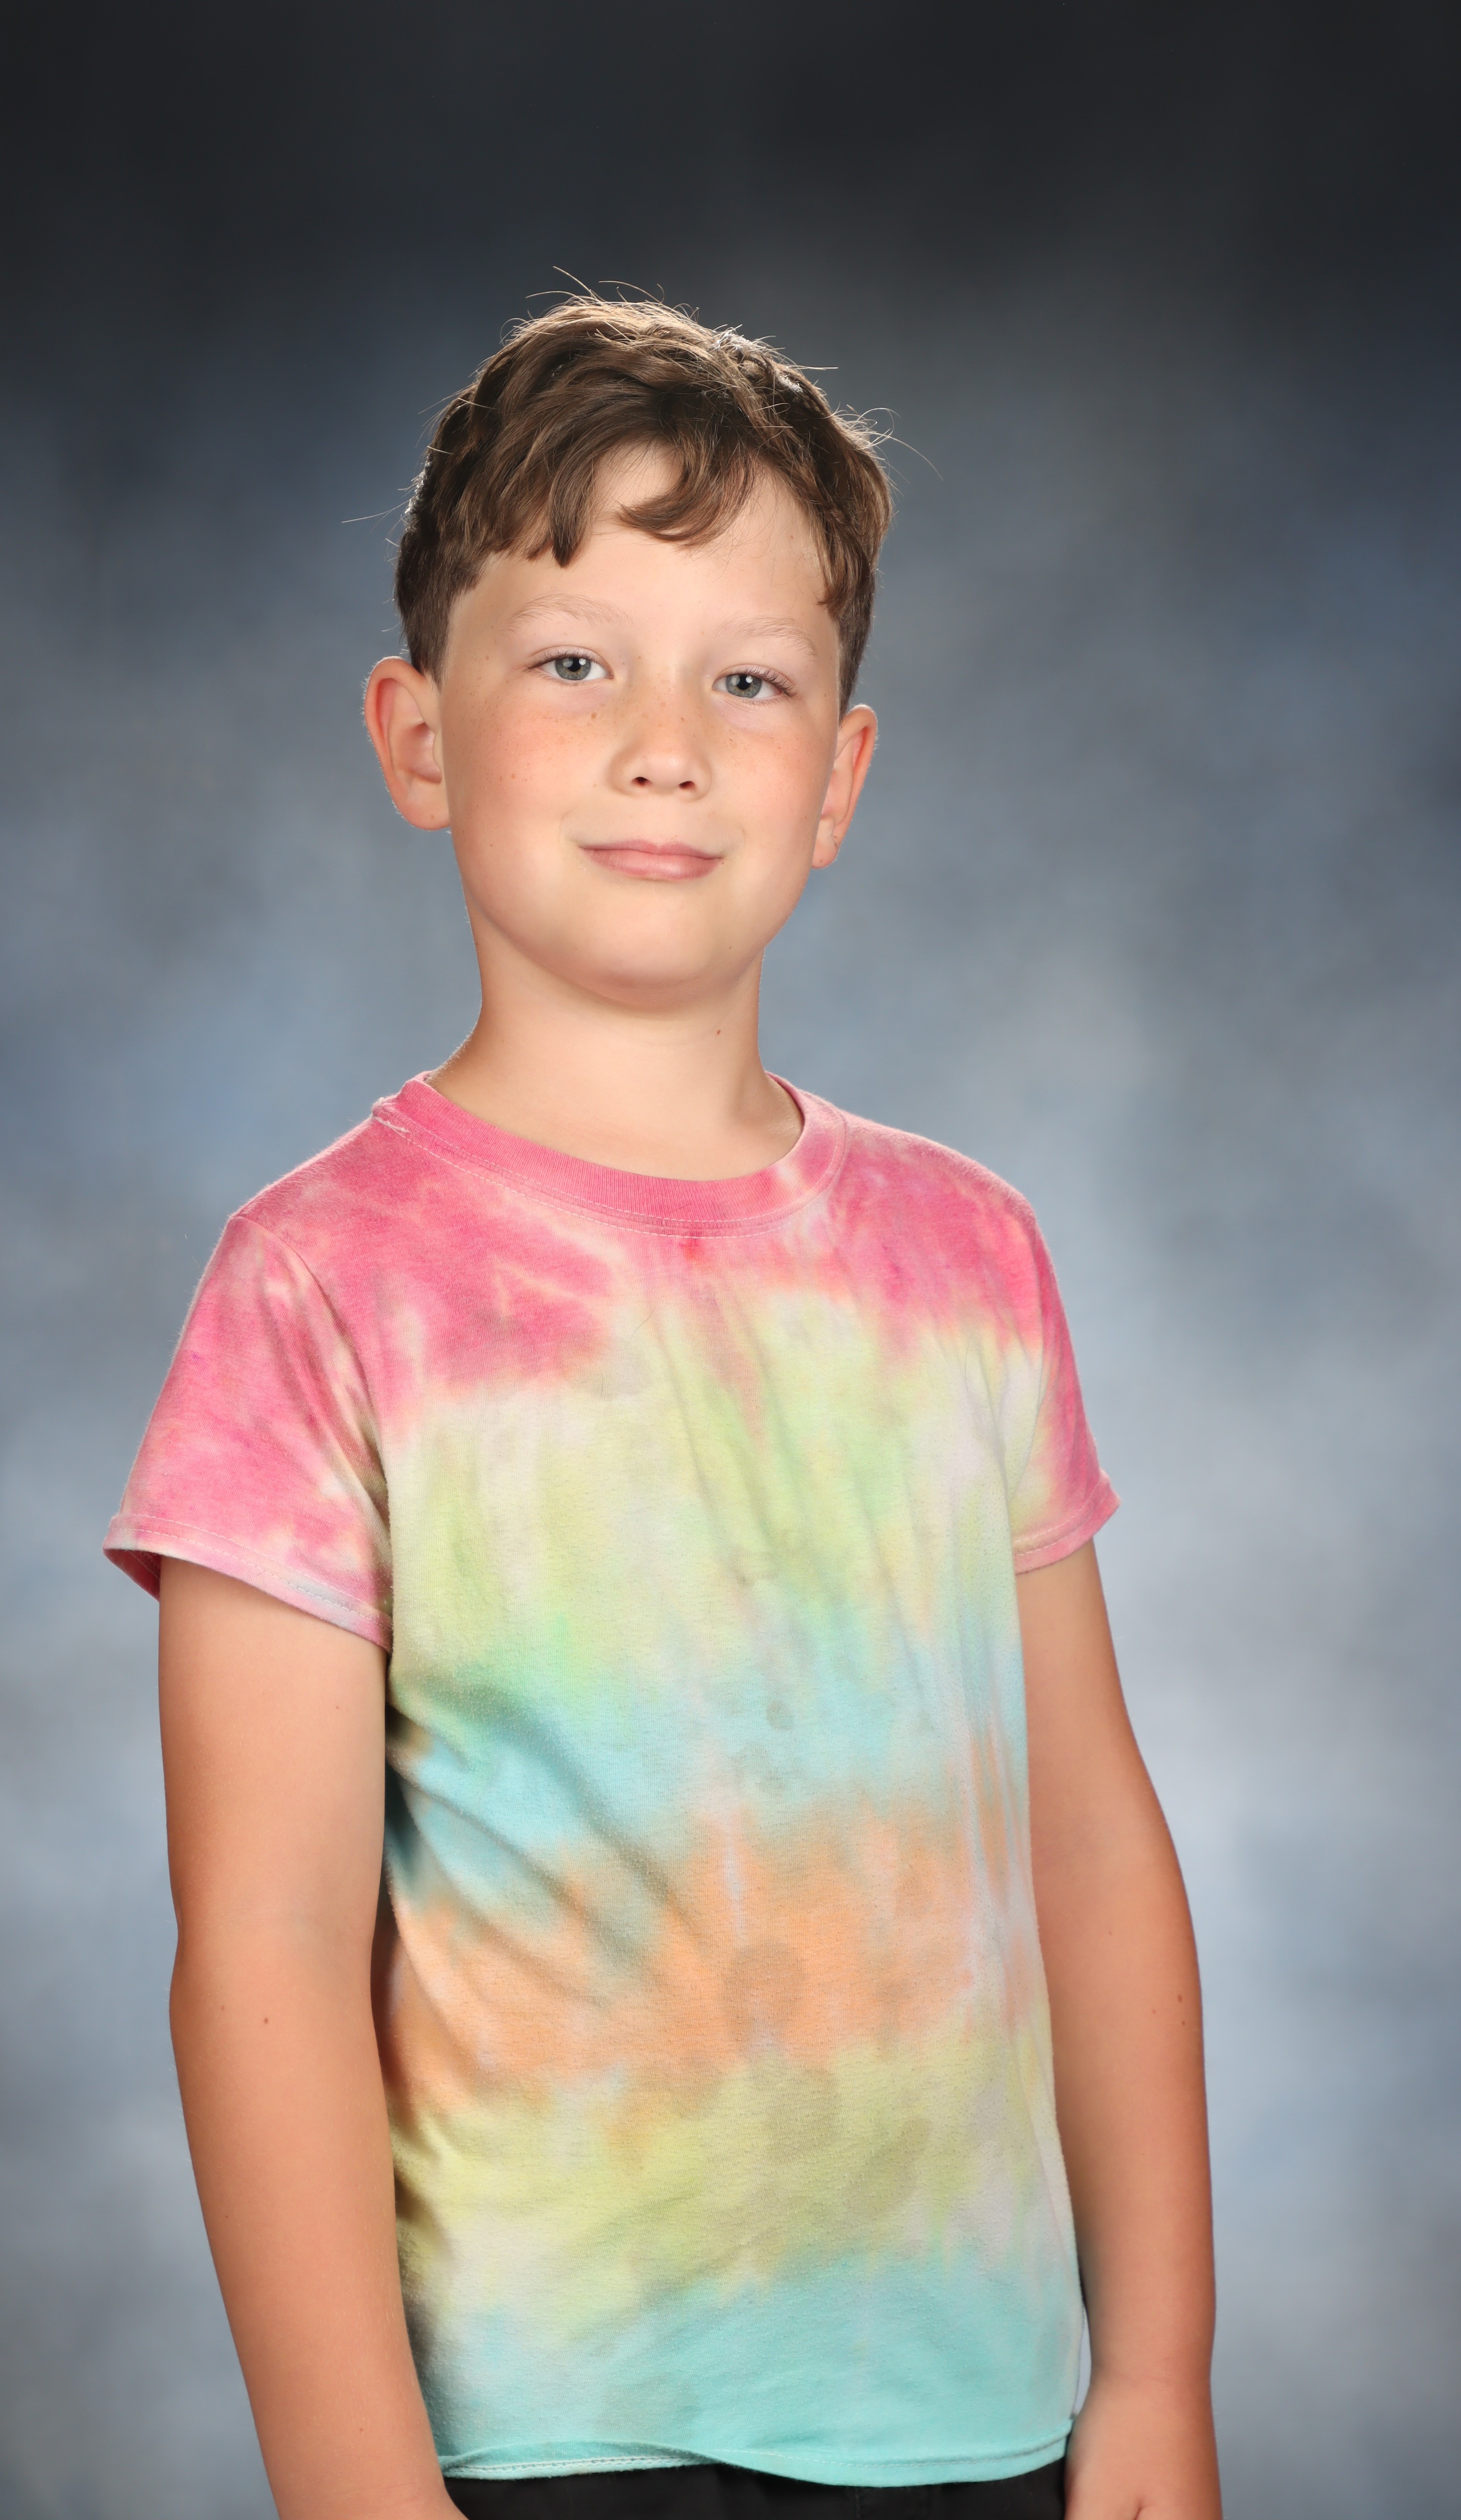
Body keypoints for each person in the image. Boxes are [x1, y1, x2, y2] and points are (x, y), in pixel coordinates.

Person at [105, 298, 1220, 2520]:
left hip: (975, 2424)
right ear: (418, 737)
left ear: (842, 777)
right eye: (573, 661)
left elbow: (1090, 1839)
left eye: (748, 681)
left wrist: (1159, 2380)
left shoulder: (967, 1257)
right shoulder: (317, 1285)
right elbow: (264, 1946)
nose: (665, 749)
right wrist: (356, 2490)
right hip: (537, 2447)